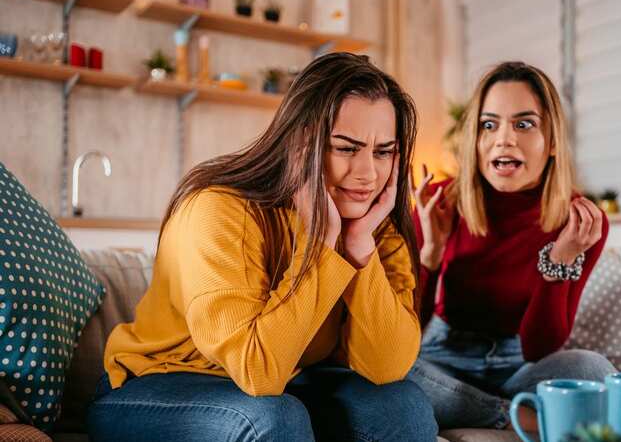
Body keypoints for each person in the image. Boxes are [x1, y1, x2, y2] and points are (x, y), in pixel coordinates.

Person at [88, 53, 438, 442]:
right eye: (346, 148)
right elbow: (258, 370)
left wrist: (357, 250)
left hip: (284, 382)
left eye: (383, 151)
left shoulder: (372, 226)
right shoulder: (218, 210)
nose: (368, 174)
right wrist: (322, 244)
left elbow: (387, 366)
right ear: (301, 143)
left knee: (403, 405)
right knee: (271, 418)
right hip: (159, 387)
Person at [408, 61, 615, 432]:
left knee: (594, 370)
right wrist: (430, 259)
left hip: (520, 363)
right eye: (489, 125)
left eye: (524, 124)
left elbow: (540, 348)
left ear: (551, 141)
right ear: (475, 140)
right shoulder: (439, 201)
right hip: (442, 358)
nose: (504, 138)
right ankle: (516, 417)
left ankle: (488, 409)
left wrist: (559, 260)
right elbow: (408, 330)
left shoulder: (581, 222)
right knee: (389, 372)